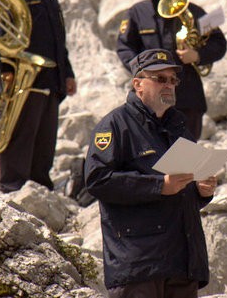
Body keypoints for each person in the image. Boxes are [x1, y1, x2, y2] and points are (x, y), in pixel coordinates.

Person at [84, 48, 216, 297]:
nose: (169, 85)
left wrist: (200, 191)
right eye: (160, 79)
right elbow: (97, 180)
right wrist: (159, 185)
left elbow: (181, 186)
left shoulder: (178, 125)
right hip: (140, 266)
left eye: (172, 80)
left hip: (182, 263)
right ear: (138, 84)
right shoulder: (114, 125)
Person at [0, 0, 77, 193]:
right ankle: (14, 191)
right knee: (20, 138)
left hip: (49, 79)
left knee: (44, 142)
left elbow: (57, 38)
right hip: (22, 78)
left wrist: (67, 72)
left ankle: (40, 191)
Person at [116, 0, 227, 141]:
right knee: (150, 156)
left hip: (188, 97)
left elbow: (219, 43)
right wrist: (143, 74)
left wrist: (197, 55)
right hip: (150, 98)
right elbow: (124, 48)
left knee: (186, 158)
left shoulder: (195, 11)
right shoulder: (138, 12)